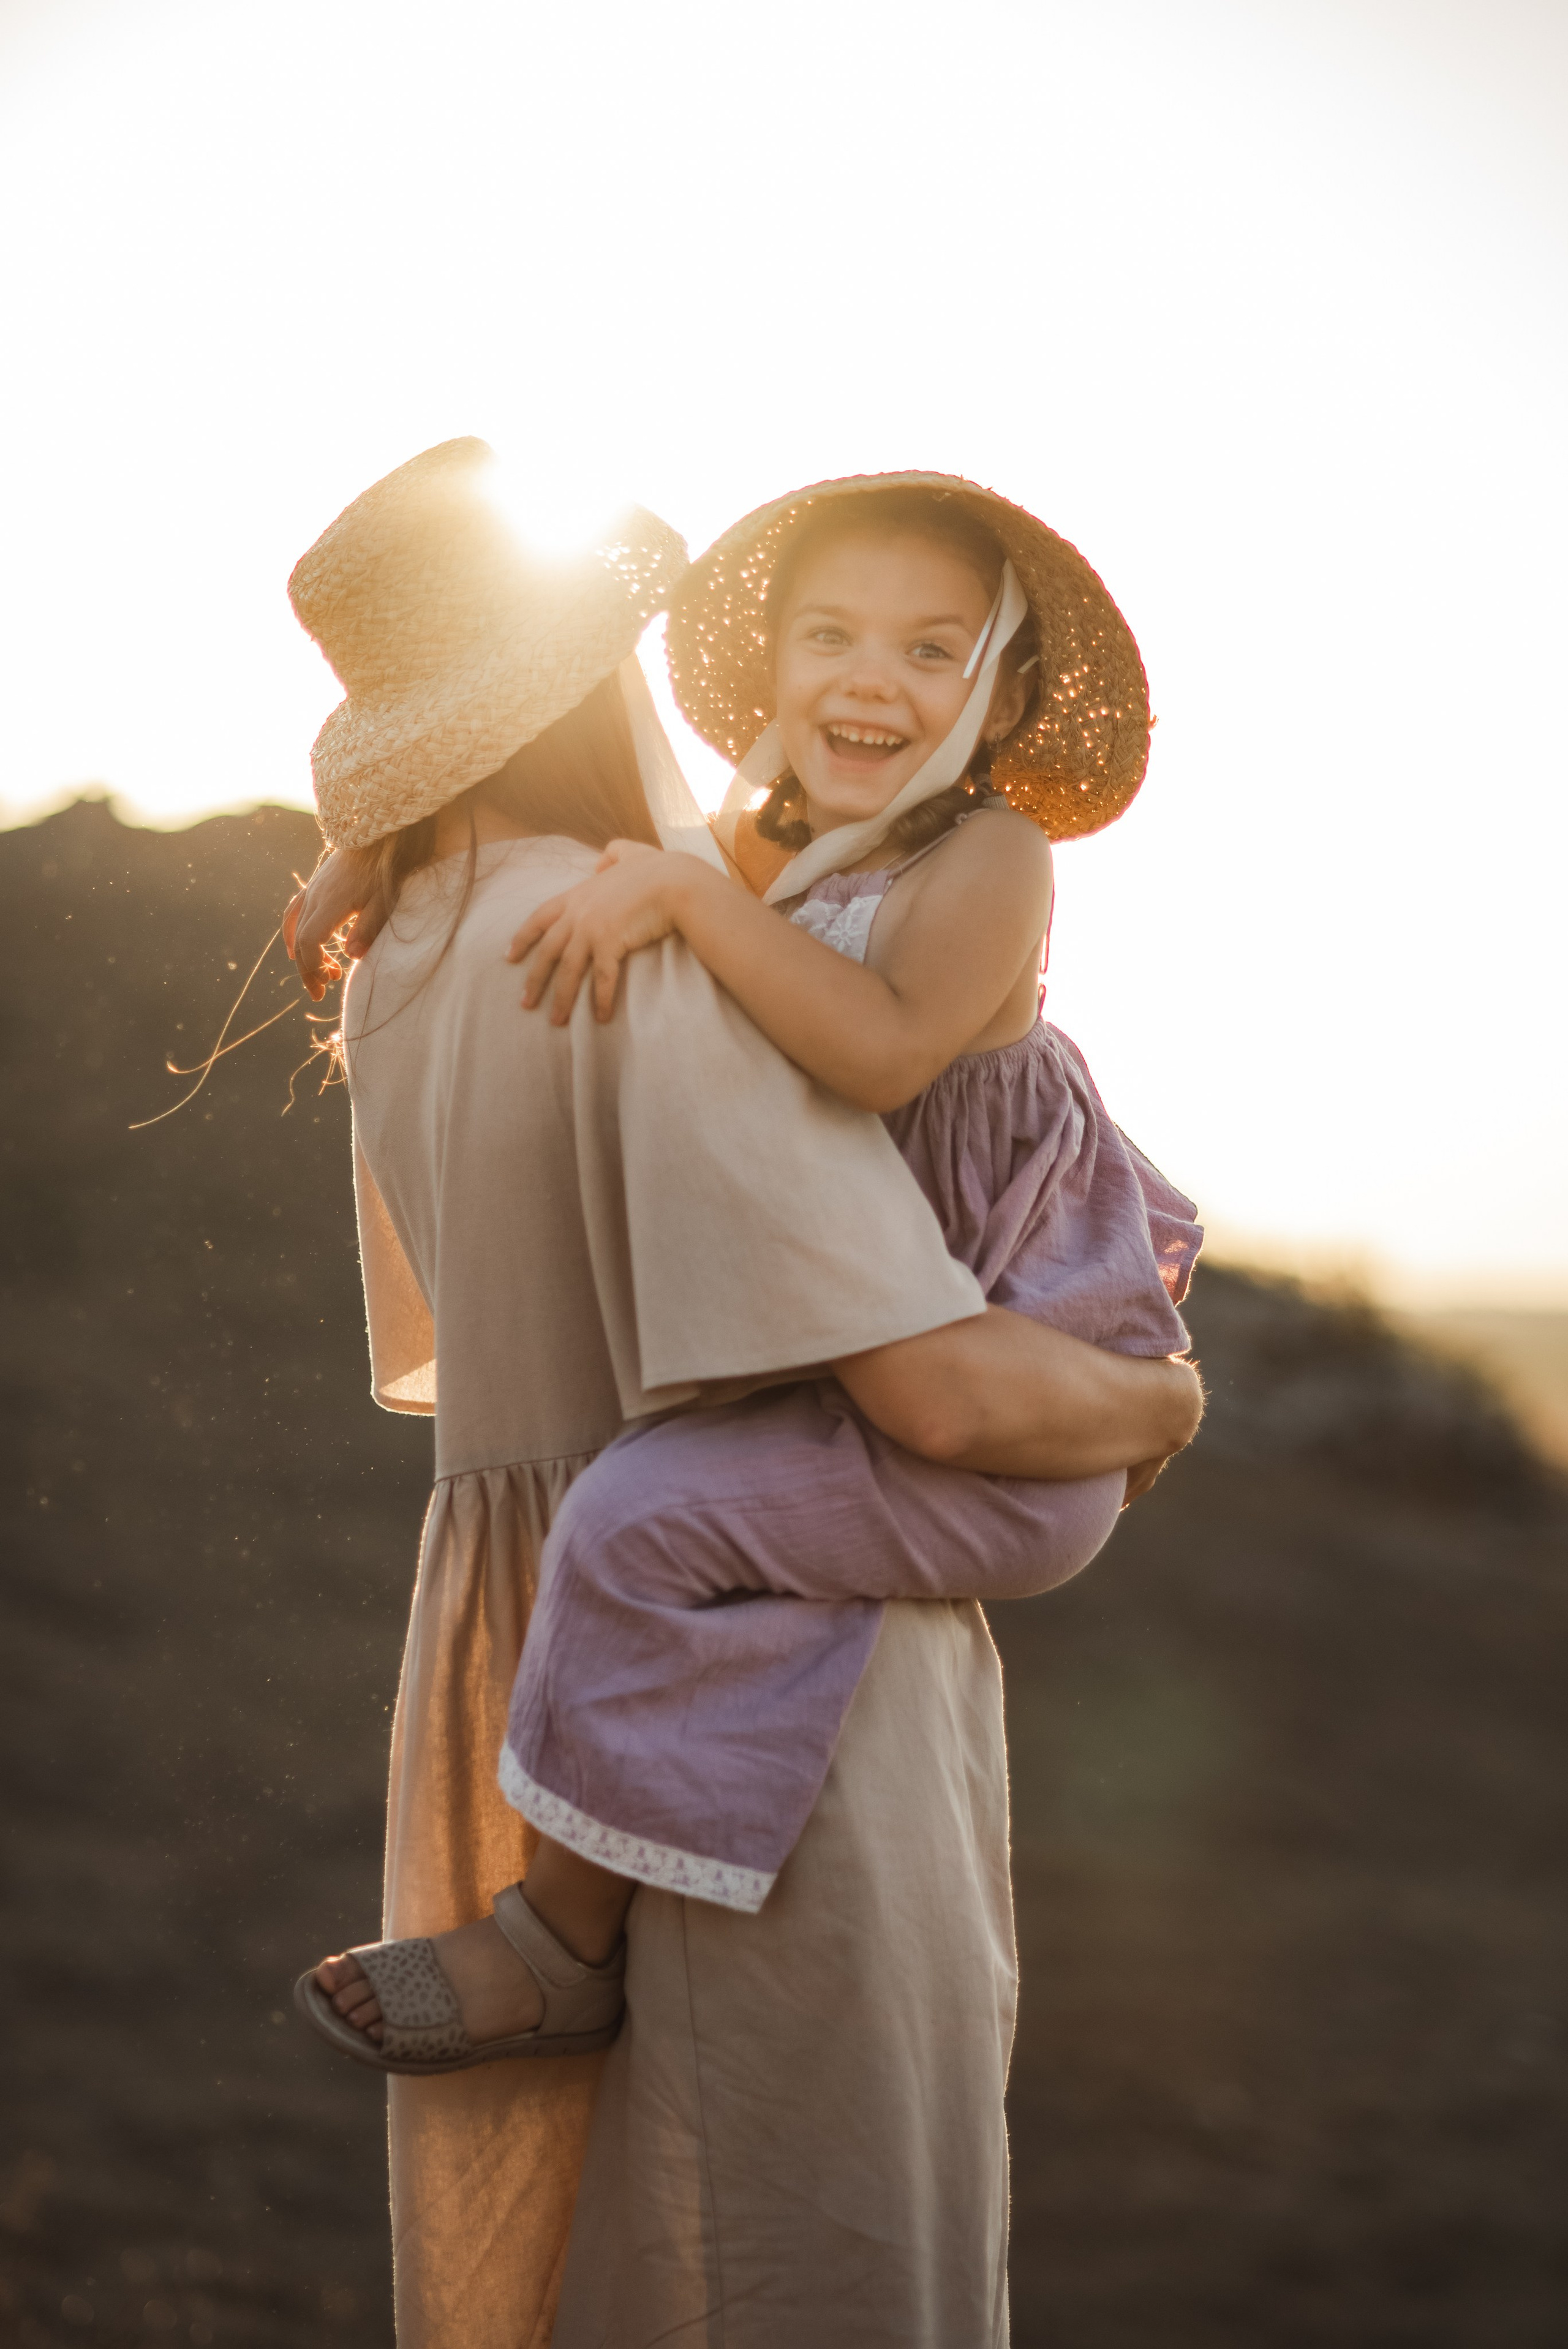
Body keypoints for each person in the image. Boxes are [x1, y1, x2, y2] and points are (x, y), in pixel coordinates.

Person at [282, 441, 1197, 2346]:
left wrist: (385, 841)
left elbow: (871, 1038)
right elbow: (931, 1389)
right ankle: (559, 1941)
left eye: (930, 649)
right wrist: (1157, 1410)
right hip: (818, 1577)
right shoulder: (683, 910)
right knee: (816, 2244)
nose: (866, 683)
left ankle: (552, 1939)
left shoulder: (445, 954)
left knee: (617, 2263)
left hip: (730, 1551)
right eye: (828, 636)